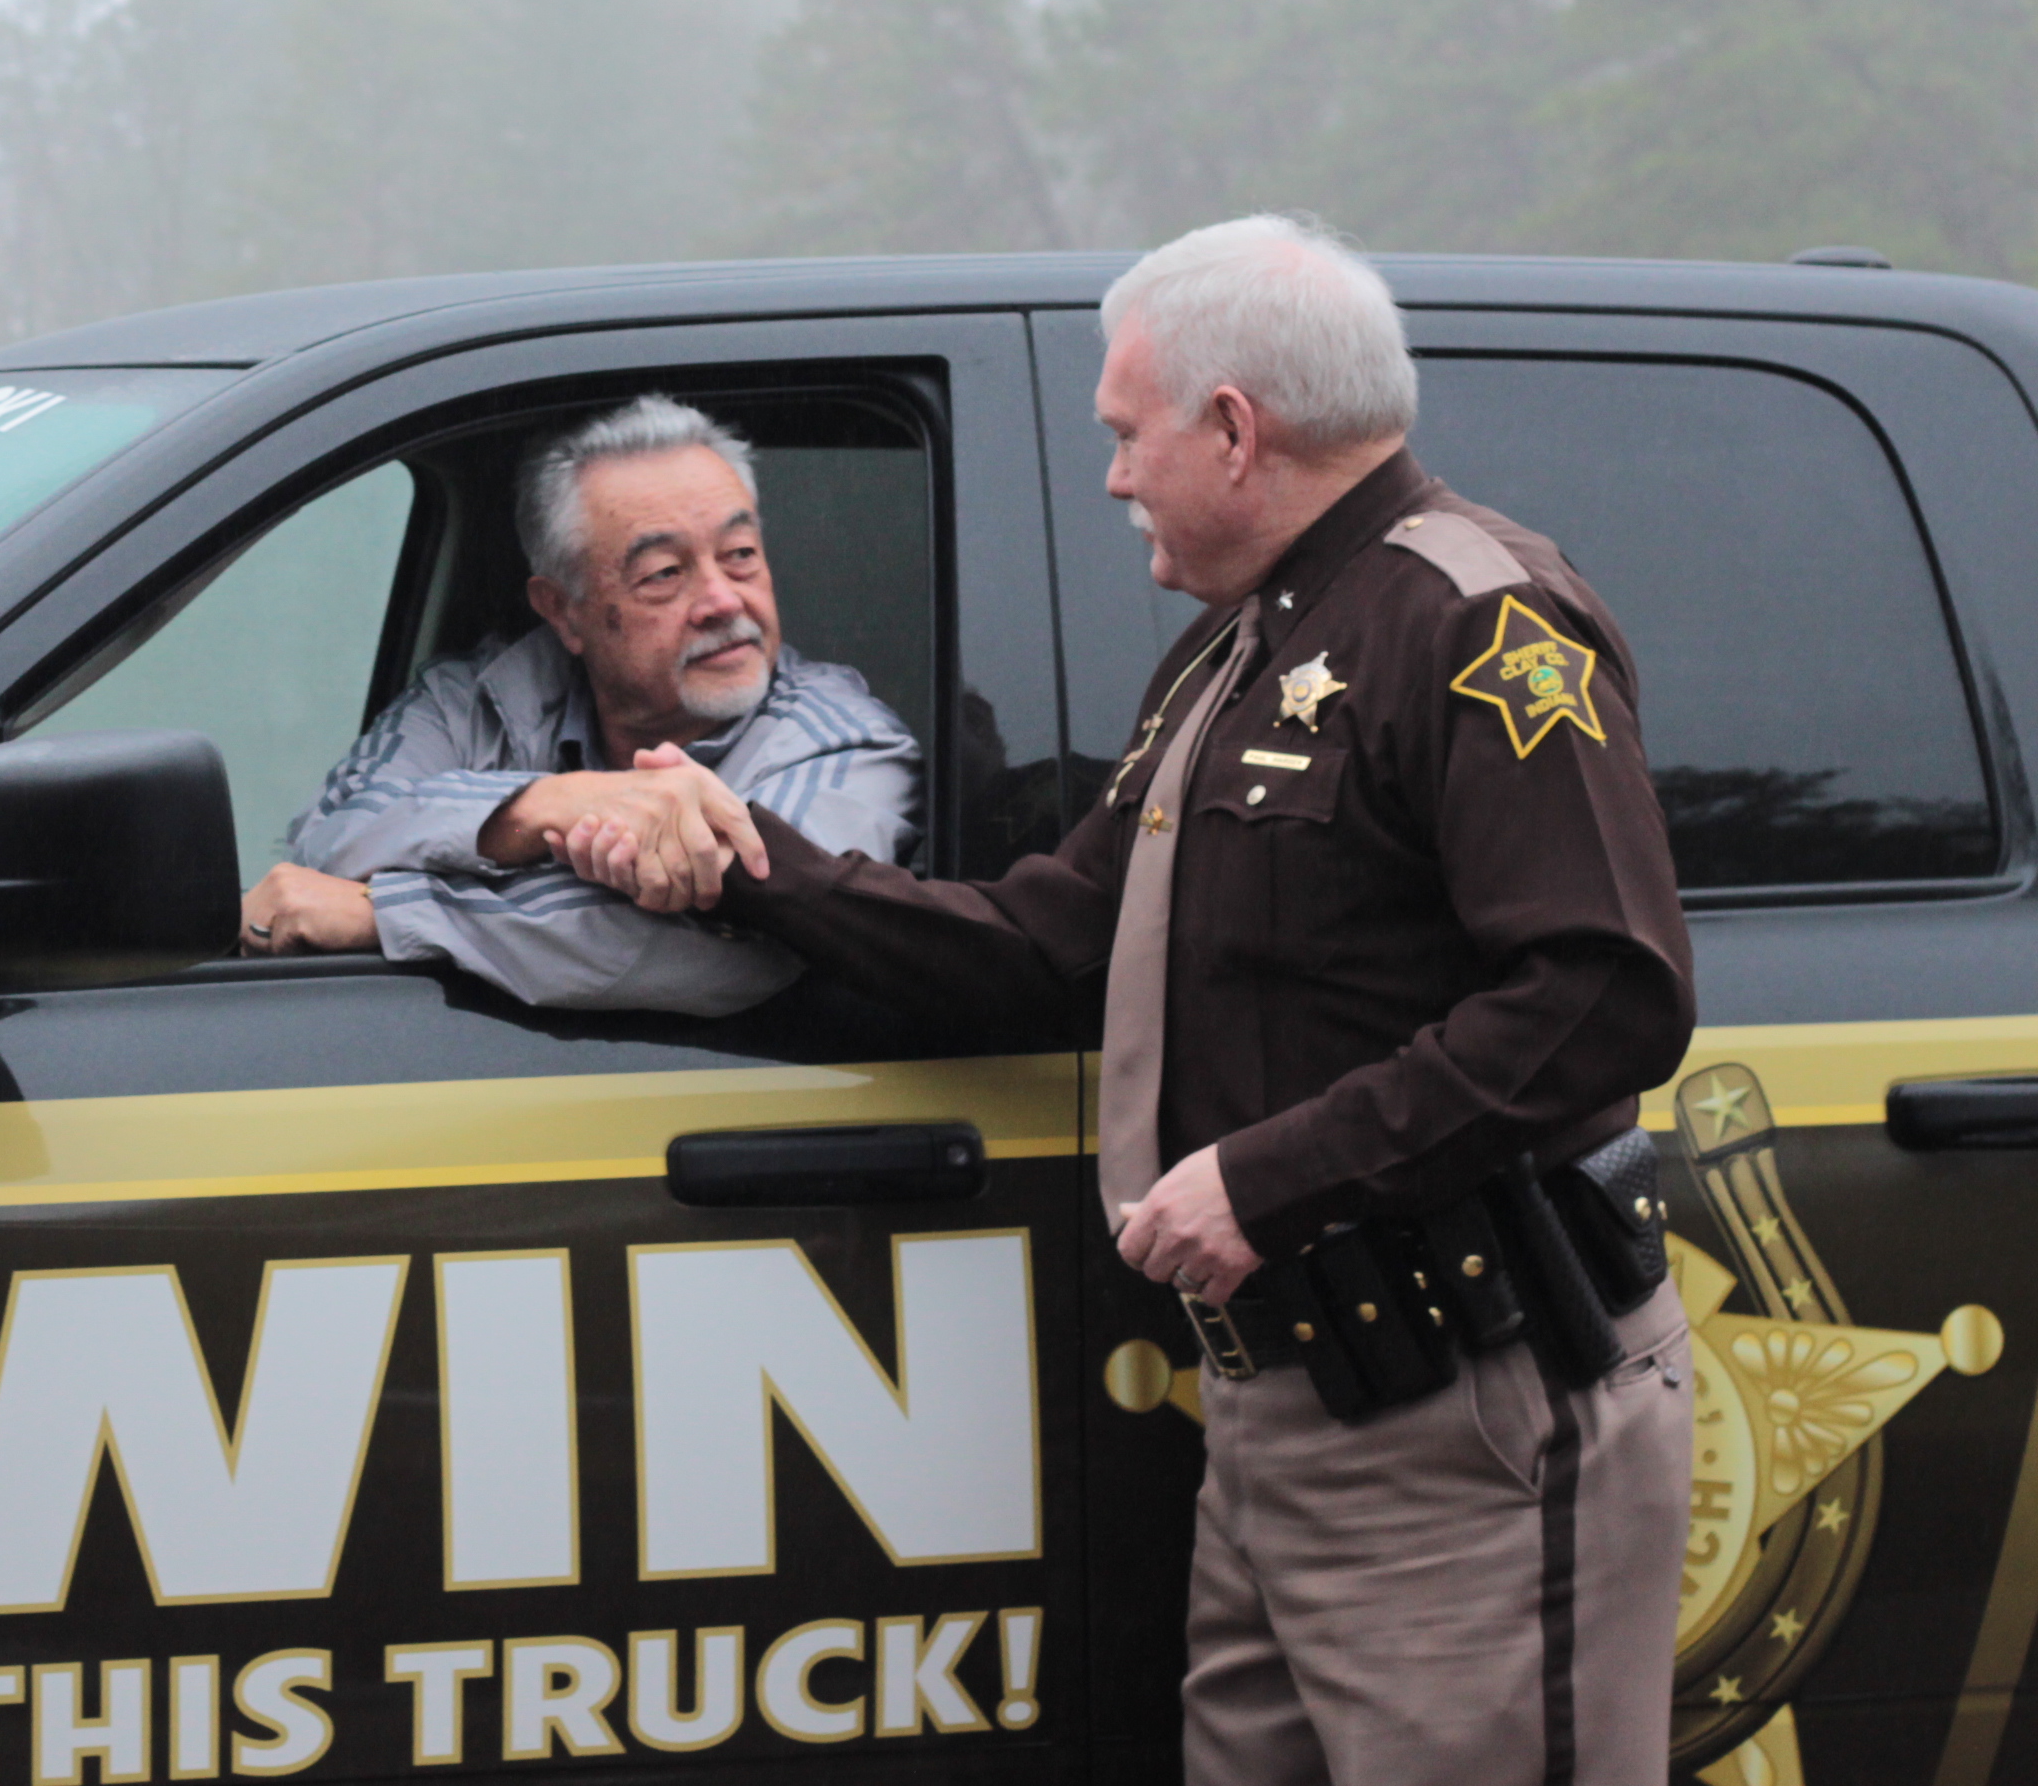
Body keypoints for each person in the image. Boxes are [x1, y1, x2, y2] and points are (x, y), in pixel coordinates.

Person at [571, 221, 1695, 1782]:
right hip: (1286, 1416)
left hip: (1469, 1418)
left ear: (1233, 429)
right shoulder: (1239, 653)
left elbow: (1604, 994)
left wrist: (1273, 1177)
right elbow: (1049, 942)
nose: (1110, 477)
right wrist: (744, 858)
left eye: (1125, 434)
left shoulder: (1477, 621)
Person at [240, 394, 920, 1016]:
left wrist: (386, 913)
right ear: (564, 611)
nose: (722, 600)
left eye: (740, 554)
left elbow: (741, 941)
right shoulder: (476, 698)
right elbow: (329, 842)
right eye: (665, 573)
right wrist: (542, 808)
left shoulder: (845, 741)